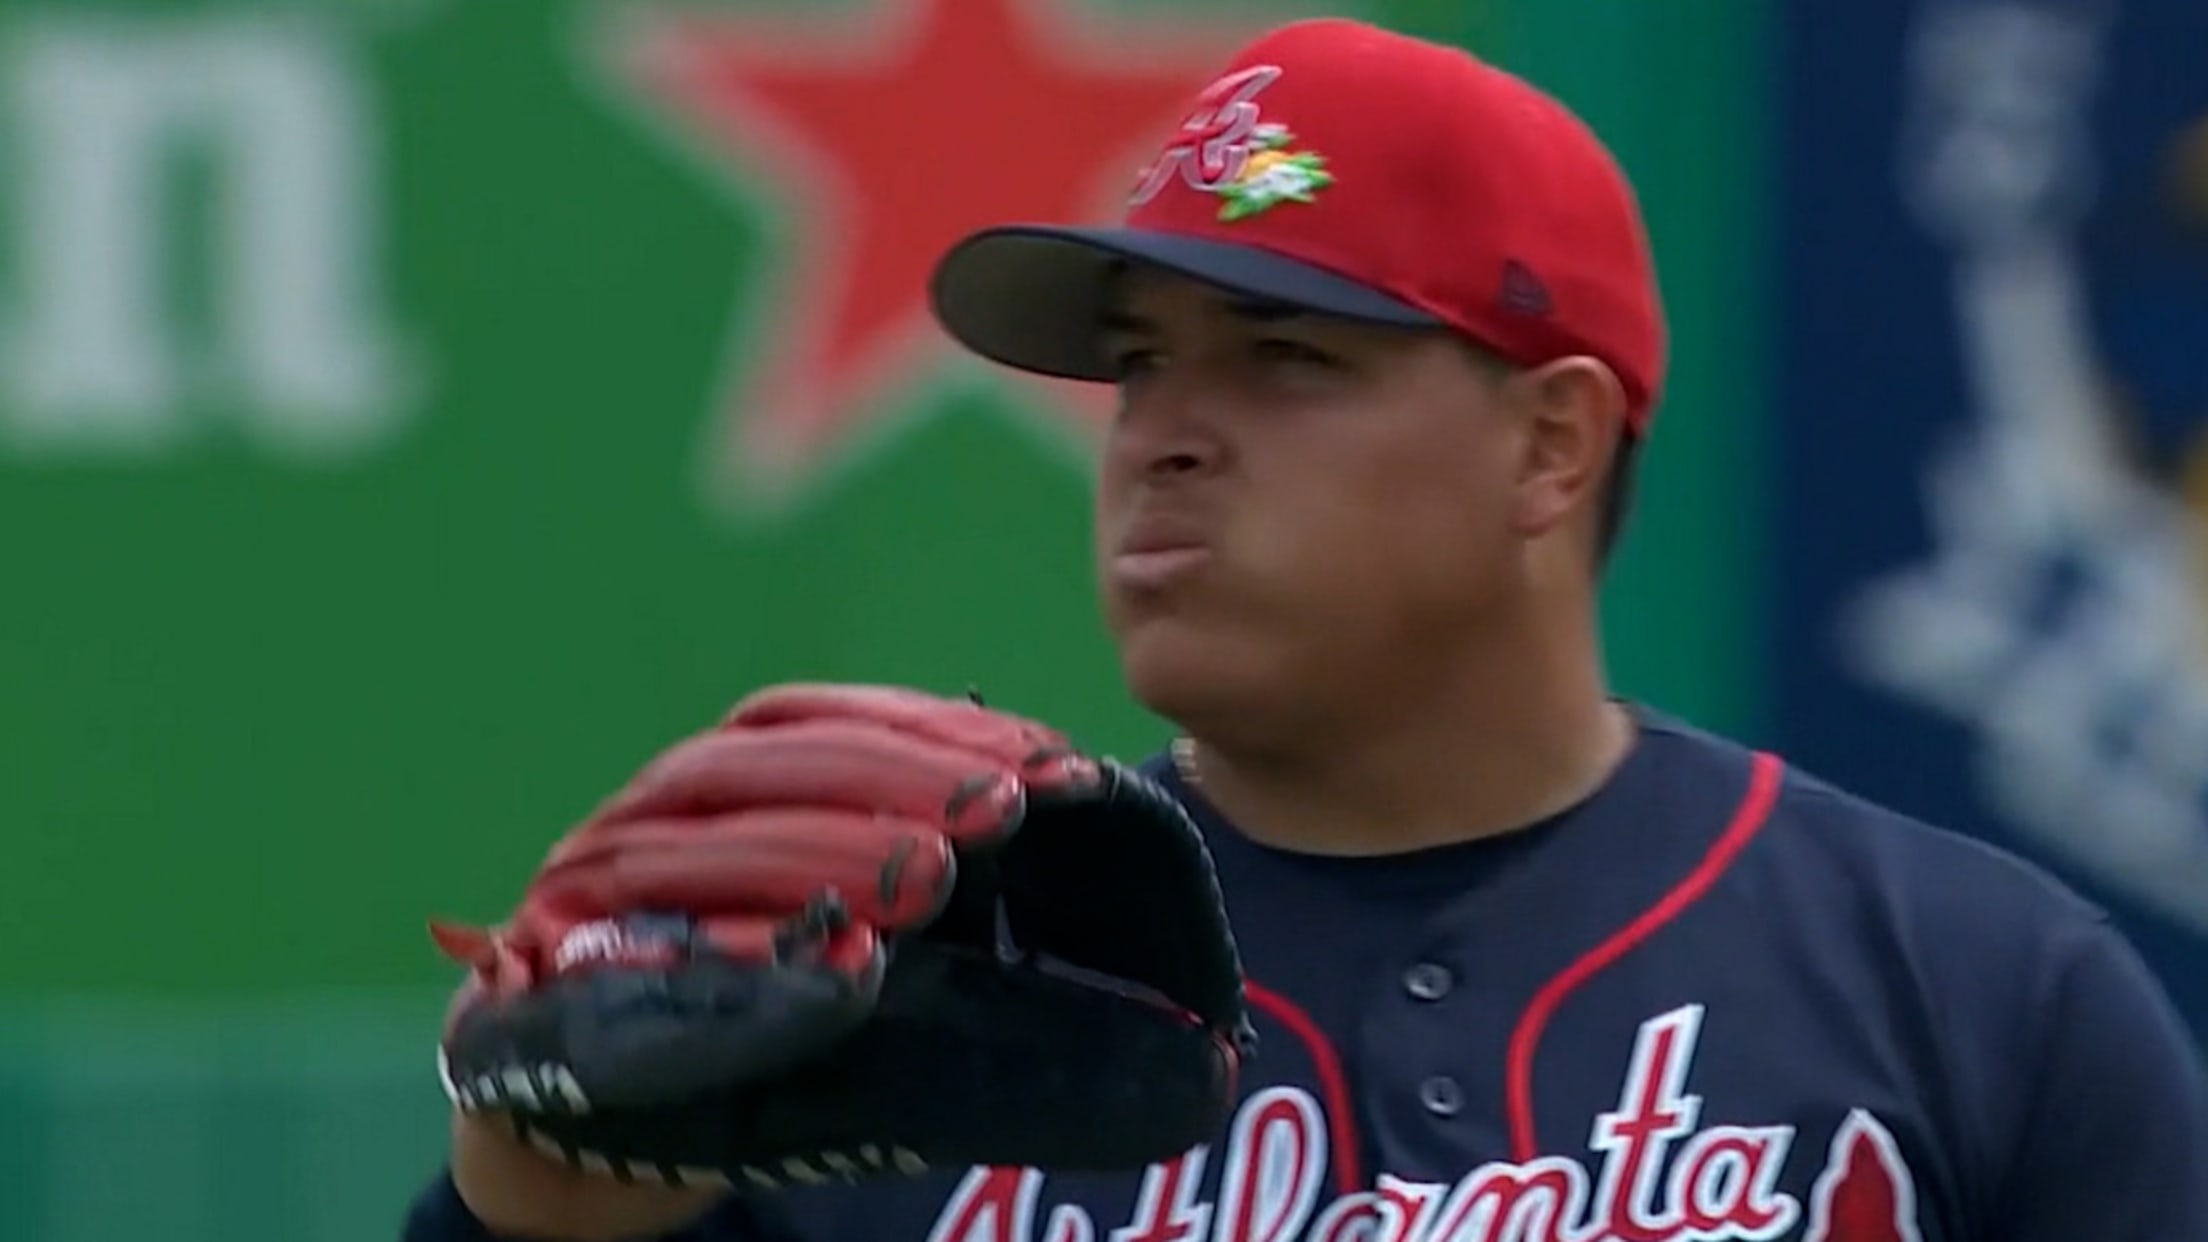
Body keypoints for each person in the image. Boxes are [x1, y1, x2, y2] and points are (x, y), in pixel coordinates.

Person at [402, 16, 2208, 1242]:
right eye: (1139, 363)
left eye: (1284, 356)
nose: (1160, 434)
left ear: (1552, 444)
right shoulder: (914, 995)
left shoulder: (1976, 996)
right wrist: (531, 1205)